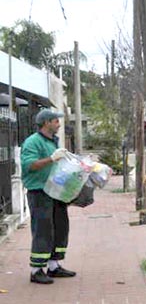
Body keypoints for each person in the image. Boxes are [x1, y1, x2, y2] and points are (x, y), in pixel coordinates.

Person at [20, 108, 76, 284]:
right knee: (43, 230)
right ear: (46, 123)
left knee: (60, 228)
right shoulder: (33, 142)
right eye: (56, 121)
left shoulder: (52, 141)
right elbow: (30, 165)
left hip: (55, 191)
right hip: (39, 192)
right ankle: (36, 270)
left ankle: (53, 266)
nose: (59, 124)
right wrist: (52, 159)